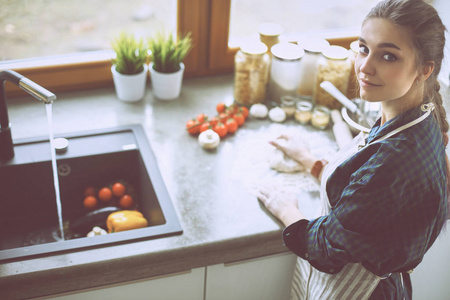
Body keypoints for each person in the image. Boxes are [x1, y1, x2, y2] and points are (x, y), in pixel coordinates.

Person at [257, 0, 449, 299]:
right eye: (363, 48)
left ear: (424, 70)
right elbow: (366, 201)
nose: (365, 67)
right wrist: (309, 160)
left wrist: (287, 210)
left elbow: (325, 249)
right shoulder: (419, 115)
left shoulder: (393, 161)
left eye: (388, 56)